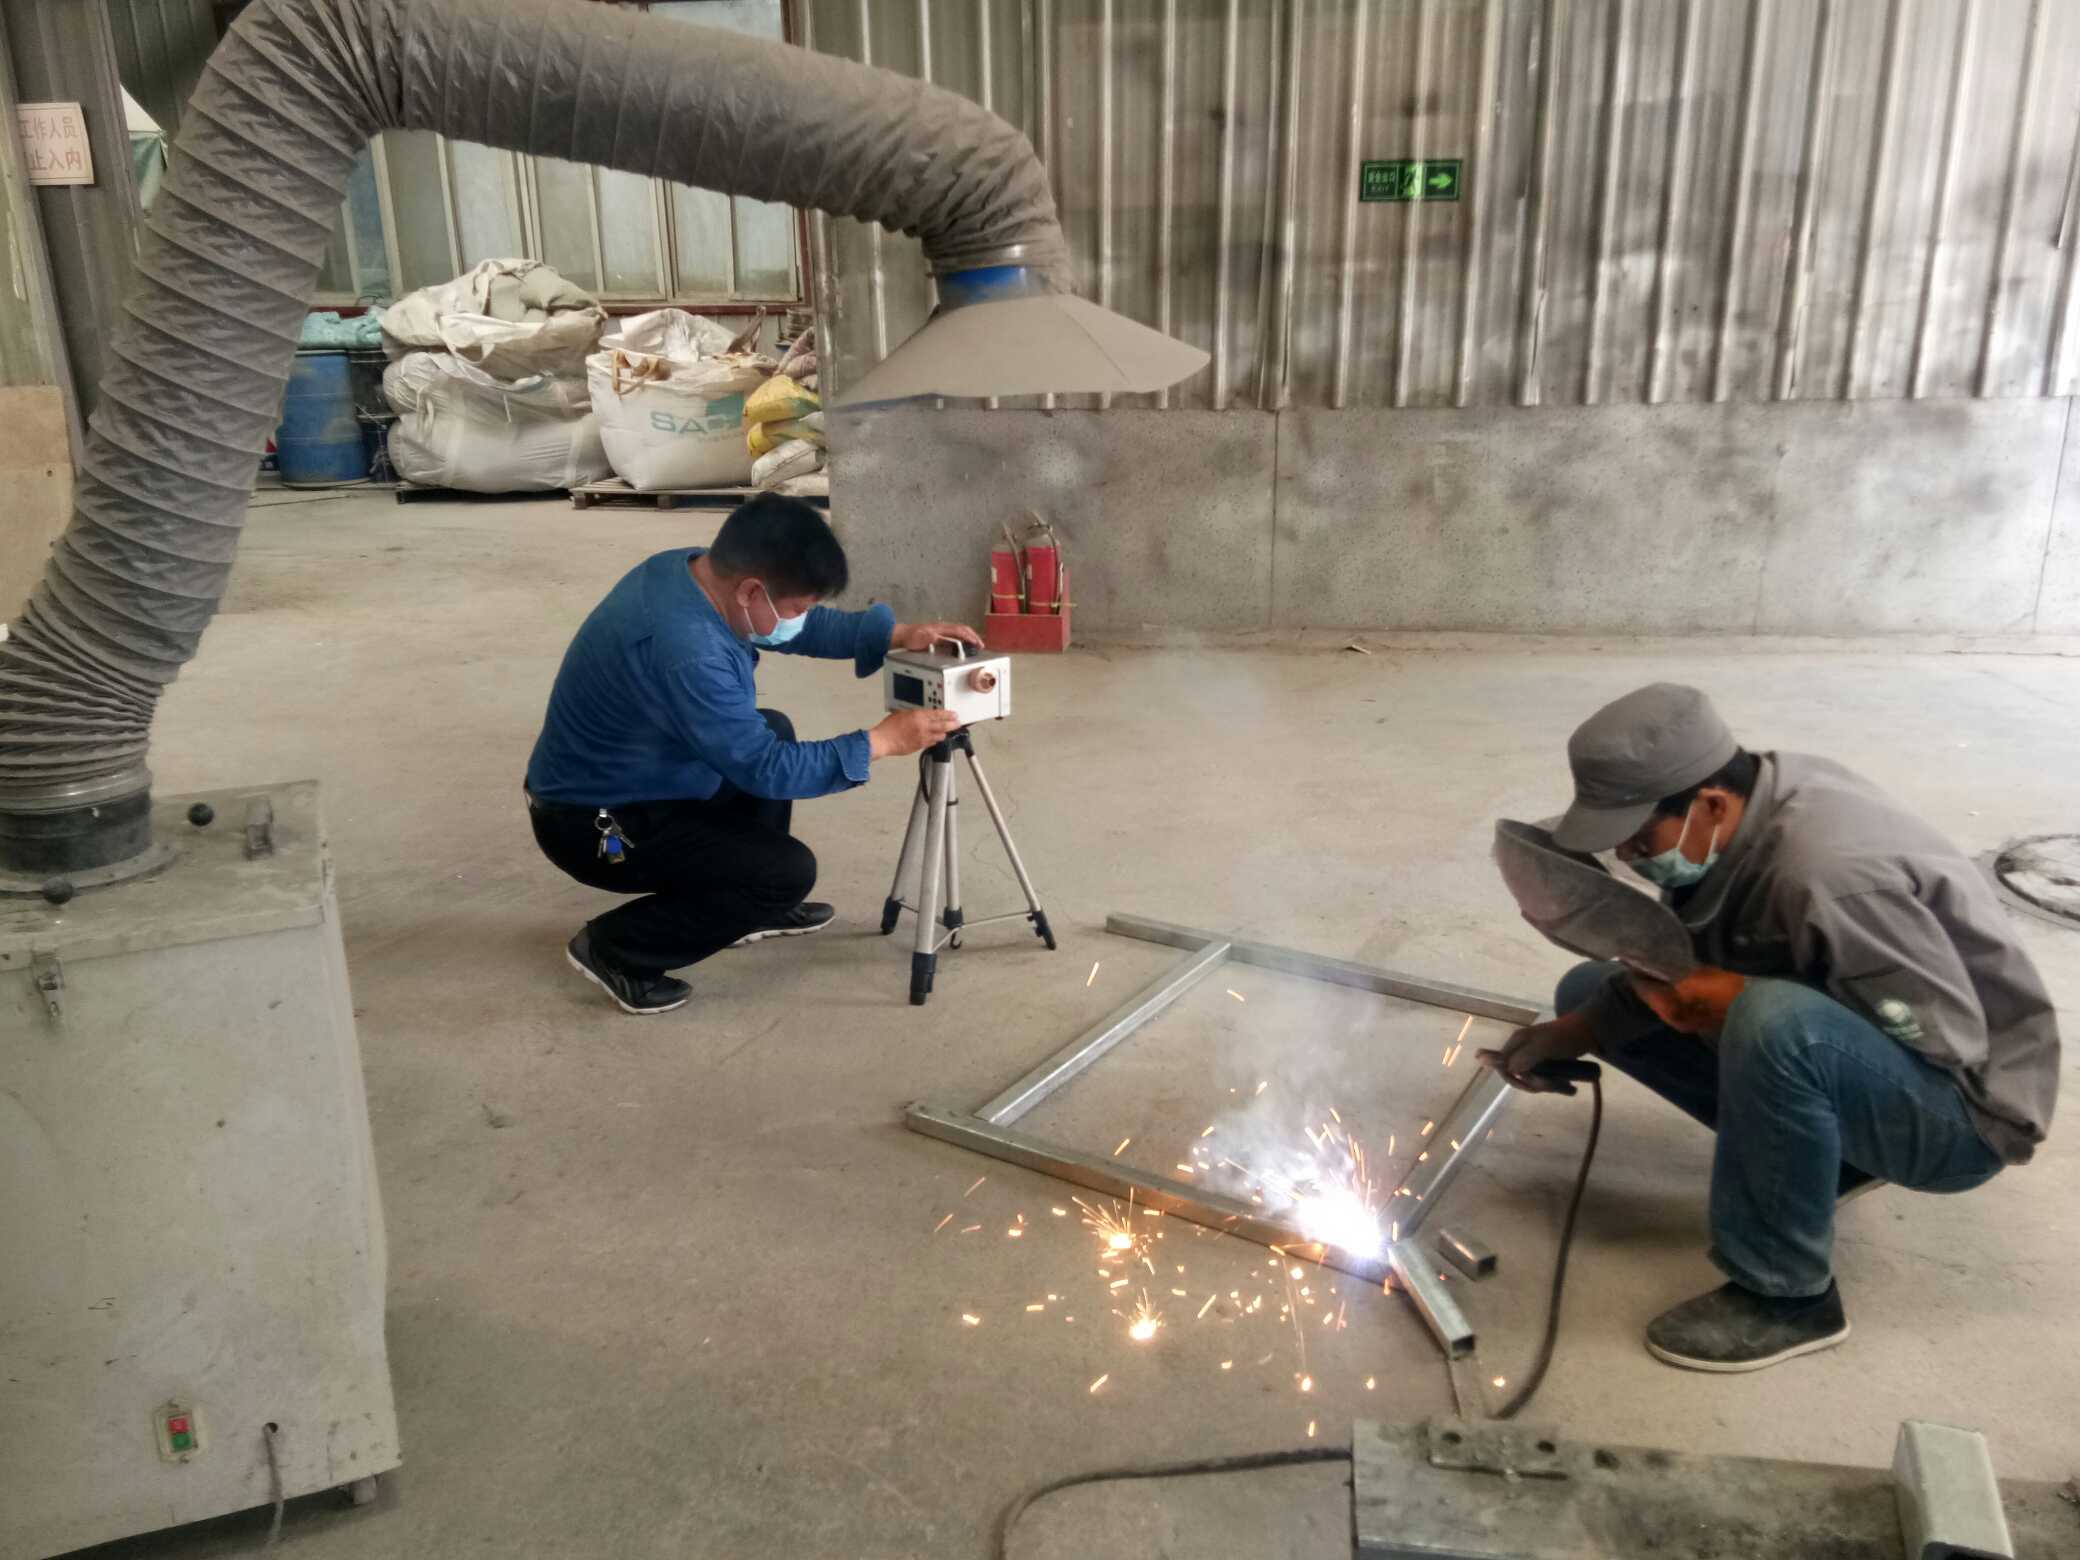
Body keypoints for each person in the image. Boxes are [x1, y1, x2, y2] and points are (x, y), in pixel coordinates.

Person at [1479, 683, 2059, 1373]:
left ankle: (1787, 1296)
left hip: (1964, 1114)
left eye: (1638, 839)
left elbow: (1945, 1038)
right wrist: (1579, 1029)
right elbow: (1701, 959)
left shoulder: (1833, 875)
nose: (1630, 858)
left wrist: (1742, 996)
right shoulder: (1749, 803)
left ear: (1710, 805)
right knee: (1590, 994)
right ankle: (1831, 1157)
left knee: (1775, 1023)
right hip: (1884, 1058)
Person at [524, 494, 977, 1015]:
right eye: (796, 607)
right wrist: (882, 741)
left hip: (634, 773)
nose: (798, 619)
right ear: (751, 591)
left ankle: (748, 909)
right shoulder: (689, 650)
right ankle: (617, 948)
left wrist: (897, 634)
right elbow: (765, 768)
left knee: (772, 725)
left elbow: (799, 626)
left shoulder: (692, 573)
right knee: (786, 872)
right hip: (594, 826)